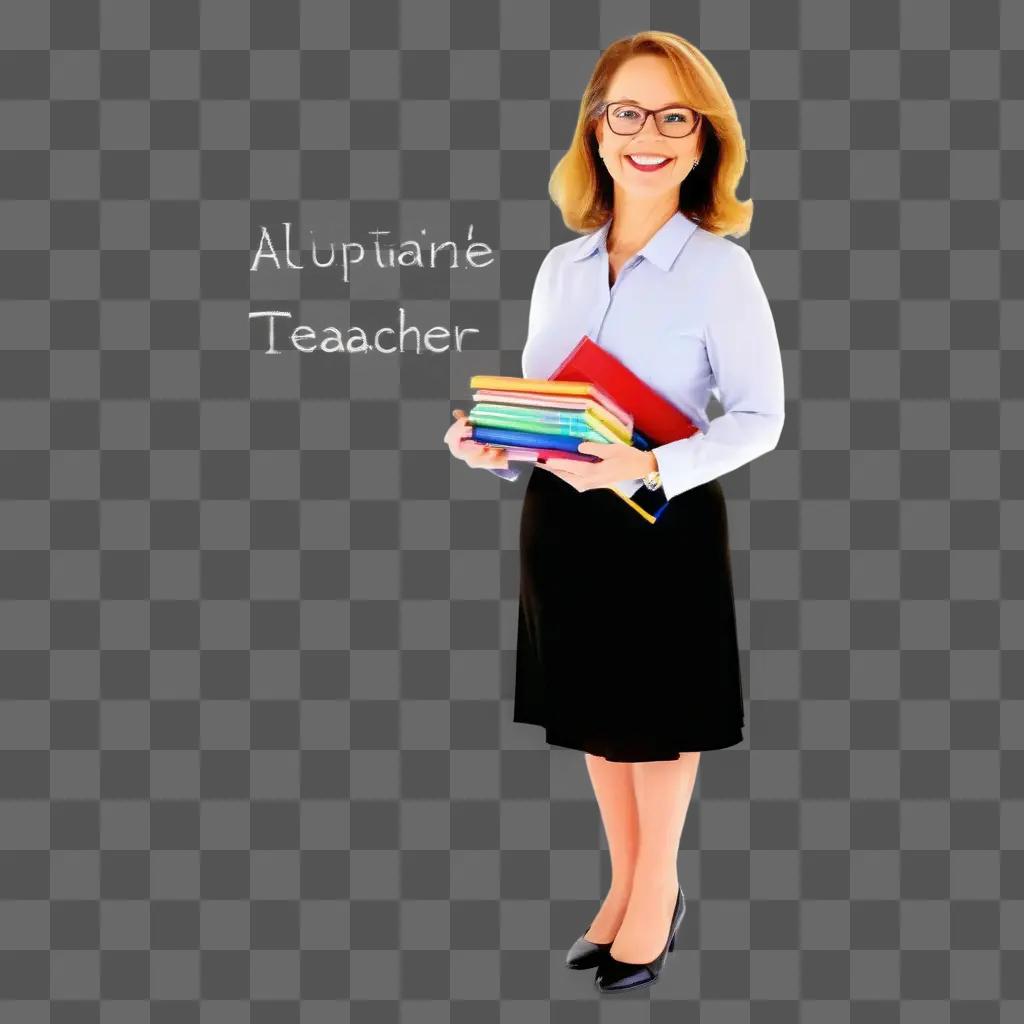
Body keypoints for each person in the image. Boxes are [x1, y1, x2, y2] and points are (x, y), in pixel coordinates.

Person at [443, 31, 785, 993]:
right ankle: (629, 882)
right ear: (595, 130)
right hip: (562, 526)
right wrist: (491, 446)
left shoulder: (721, 269)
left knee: (659, 720)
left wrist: (647, 465)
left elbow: (761, 418)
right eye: (627, 111)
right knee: (596, 716)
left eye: (675, 116)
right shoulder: (560, 268)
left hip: (659, 524)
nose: (649, 134)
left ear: (704, 138)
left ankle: (657, 891)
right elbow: (545, 409)